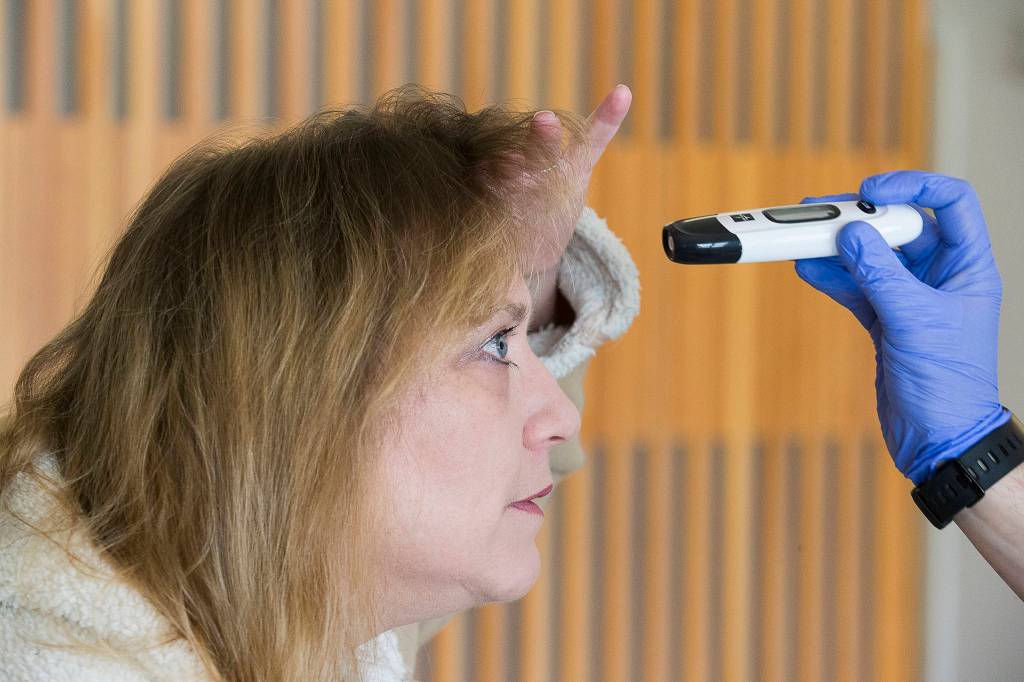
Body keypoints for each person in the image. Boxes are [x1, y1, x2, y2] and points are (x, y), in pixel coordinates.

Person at [0, 83, 637, 681]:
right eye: (495, 345)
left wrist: (528, 276)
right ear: (301, 391)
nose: (563, 418)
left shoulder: (283, 598)